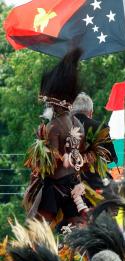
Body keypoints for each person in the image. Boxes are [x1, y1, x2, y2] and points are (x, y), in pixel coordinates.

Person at [23, 49, 89, 226]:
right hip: (74, 185)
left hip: (55, 186)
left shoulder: (53, 126)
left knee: (35, 227)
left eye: (47, 102)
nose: (46, 104)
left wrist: (40, 146)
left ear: (54, 102)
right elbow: (80, 156)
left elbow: (50, 162)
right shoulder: (78, 124)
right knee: (78, 229)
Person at [72, 92, 117, 192]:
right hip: (94, 183)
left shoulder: (61, 127)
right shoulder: (101, 128)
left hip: (65, 183)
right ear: (90, 112)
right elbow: (111, 158)